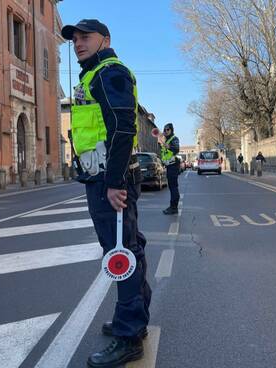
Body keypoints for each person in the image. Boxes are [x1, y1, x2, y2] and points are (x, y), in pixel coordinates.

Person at [62, 19, 150, 368]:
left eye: (86, 37)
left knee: (120, 255)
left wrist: (113, 182)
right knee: (130, 248)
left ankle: (129, 337)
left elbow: (123, 127)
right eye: (74, 39)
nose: (78, 44)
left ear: (105, 40)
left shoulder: (108, 72)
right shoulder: (93, 74)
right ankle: (134, 321)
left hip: (108, 181)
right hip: (104, 178)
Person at [160, 123, 180, 215]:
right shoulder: (166, 140)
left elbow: (176, 149)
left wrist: (168, 146)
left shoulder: (174, 138)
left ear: (171, 130)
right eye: (164, 130)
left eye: (167, 129)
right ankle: (172, 206)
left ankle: (174, 207)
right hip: (169, 166)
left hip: (173, 166)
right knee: (172, 187)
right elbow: (164, 154)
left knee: (173, 187)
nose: (166, 131)